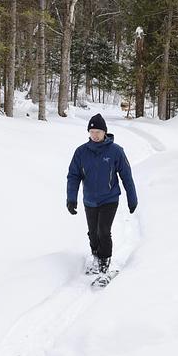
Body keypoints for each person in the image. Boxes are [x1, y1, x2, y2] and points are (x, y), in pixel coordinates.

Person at [67, 113, 138, 284]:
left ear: (105, 132)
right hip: (90, 200)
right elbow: (73, 176)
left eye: (98, 131)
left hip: (109, 199)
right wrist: (71, 198)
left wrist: (132, 198)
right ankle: (96, 256)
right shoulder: (81, 152)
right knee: (93, 232)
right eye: (92, 132)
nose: (95, 135)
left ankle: (105, 260)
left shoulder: (116, 151)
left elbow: (126, 176)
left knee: (103, 231)